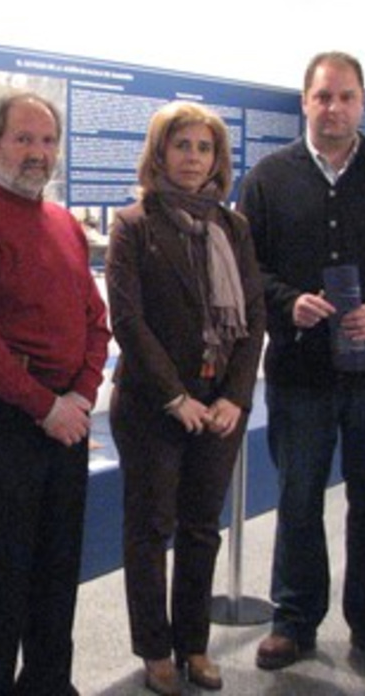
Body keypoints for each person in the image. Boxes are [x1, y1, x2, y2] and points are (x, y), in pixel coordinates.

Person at [238, 51, 365, 672]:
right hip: (300, 377)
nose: (335, 108)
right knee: (298, 499)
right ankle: (294, 621)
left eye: (347, 97)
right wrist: (285, 301)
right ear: (305, 100)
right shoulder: (268, 179)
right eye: (324, 96)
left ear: (362, 103)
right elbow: (249, 270)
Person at [0, 92, 111, 696]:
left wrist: (80, 397)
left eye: (48, 141)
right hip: (0, 422)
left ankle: (49, 686)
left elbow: (95, 319)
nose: (38, 154)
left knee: (57, 572)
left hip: (66, 422)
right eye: (23, 140)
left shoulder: (63, 224)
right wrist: (45, 406)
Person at [105, 102, 266, 695]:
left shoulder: (234, 227)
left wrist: (237, 398)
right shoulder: (134, 224)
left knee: (202, 528)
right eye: (183, 146)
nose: (194, 158)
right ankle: (155, 651)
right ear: (160, 152)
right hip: (153, 407)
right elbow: (128, 319)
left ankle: (194, 644)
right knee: (150, 530)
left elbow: (253, 317)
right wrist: (175, 397)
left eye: (205, 148)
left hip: (218, 404)